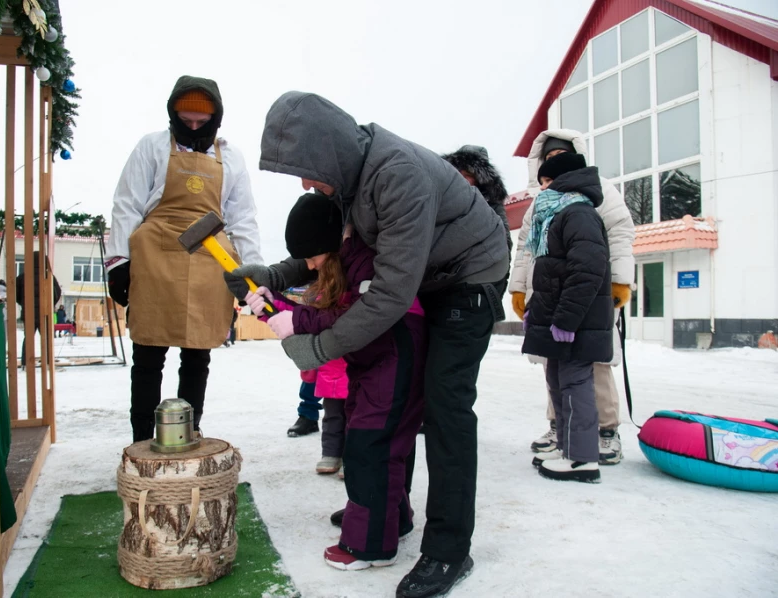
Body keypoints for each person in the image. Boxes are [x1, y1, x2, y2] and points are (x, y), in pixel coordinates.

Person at [225, 92, 509, 598]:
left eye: (306, 170)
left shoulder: (396, 174)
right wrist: (270, 275)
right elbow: (329, 251)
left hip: (469, 276)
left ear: (328, 150)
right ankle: (386, 510)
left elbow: (390, 297)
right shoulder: (347, 180)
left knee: (444, 406)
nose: (307, 184)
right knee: (404, 407)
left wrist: (319, 347)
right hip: (424, 279)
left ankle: (447, 549)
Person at [246, 193, 426, 571]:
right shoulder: (345, 259)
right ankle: (392, 518)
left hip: (394, 357)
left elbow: (348, 316)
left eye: (312, 255)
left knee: (368, 449)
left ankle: (370, 545)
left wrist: (294, 320)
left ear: (329, 242)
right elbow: (324, 313)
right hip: (373, 362)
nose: (309, 265)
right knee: (370, 444)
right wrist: (276, 306)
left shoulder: (365, 261)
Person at [105, 76, 263, 441]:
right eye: (185, 121)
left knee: (197, 356)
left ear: (216, 119)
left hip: (209, 259)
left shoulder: (232, 157)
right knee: (148, 354)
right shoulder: (152, 147)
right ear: (173, 115)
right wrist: (119, 262)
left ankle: (189, 432)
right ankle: (142, 437)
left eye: (201, 122)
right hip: (155, 256)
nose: (193, 128)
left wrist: (251, 273)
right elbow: (127, 203)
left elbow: (243, 219)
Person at [510, 130, 635, 465]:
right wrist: (519, 286)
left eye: (559, 155)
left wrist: (621, 280)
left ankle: (606, 431)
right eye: (548, 158)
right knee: (556, 364)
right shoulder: (542, 199)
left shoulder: (597, 190)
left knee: (593, 361)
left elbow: (619, 233)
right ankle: (560, 429)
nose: (553, 163)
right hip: (550, 293)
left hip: (587, 290)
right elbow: (526, 247)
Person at [521, 151, 613, 482]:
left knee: (575, 383)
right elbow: (551, 272)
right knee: (558, 380)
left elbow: (587, 271)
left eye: (546, 182)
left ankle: (581, 459)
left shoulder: (577, 214)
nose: (542, 190)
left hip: (575, 321)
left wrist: (566, 319)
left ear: (562, 181)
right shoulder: (559, 215)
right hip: (559, 316)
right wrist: (536, 312)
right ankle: (567, 445)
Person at [16, 251, 61, 367]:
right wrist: (50, 304)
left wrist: (24, 304)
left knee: (28, 339)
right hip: (45, 313)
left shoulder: (22, 277)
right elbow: (57, 293)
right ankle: (47, 362)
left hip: (29, 313)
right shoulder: (49, 276)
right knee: (46, 339)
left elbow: (15, 294)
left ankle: (26, 363)